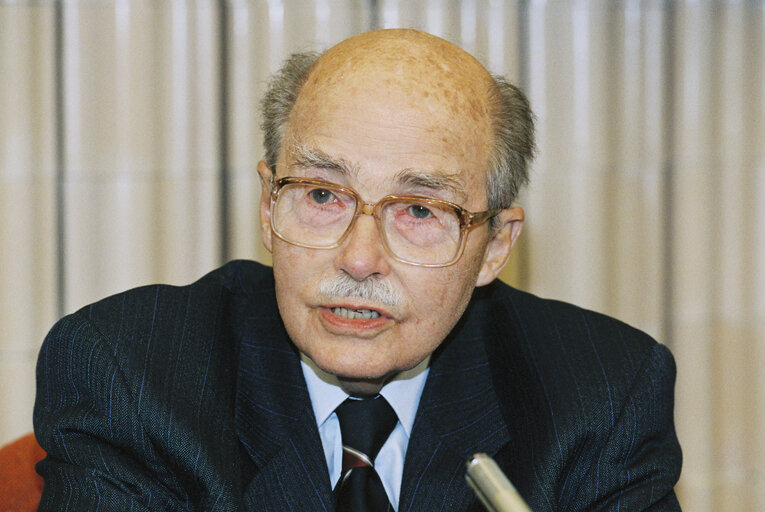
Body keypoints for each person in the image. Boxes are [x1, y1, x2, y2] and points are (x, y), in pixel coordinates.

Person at [34, 29, 682, 511]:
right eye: (321, 196)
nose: (359, 258)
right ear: (267, 206)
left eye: (420, 210)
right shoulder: (131, 375)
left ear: (493, 246)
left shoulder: (602, 397)